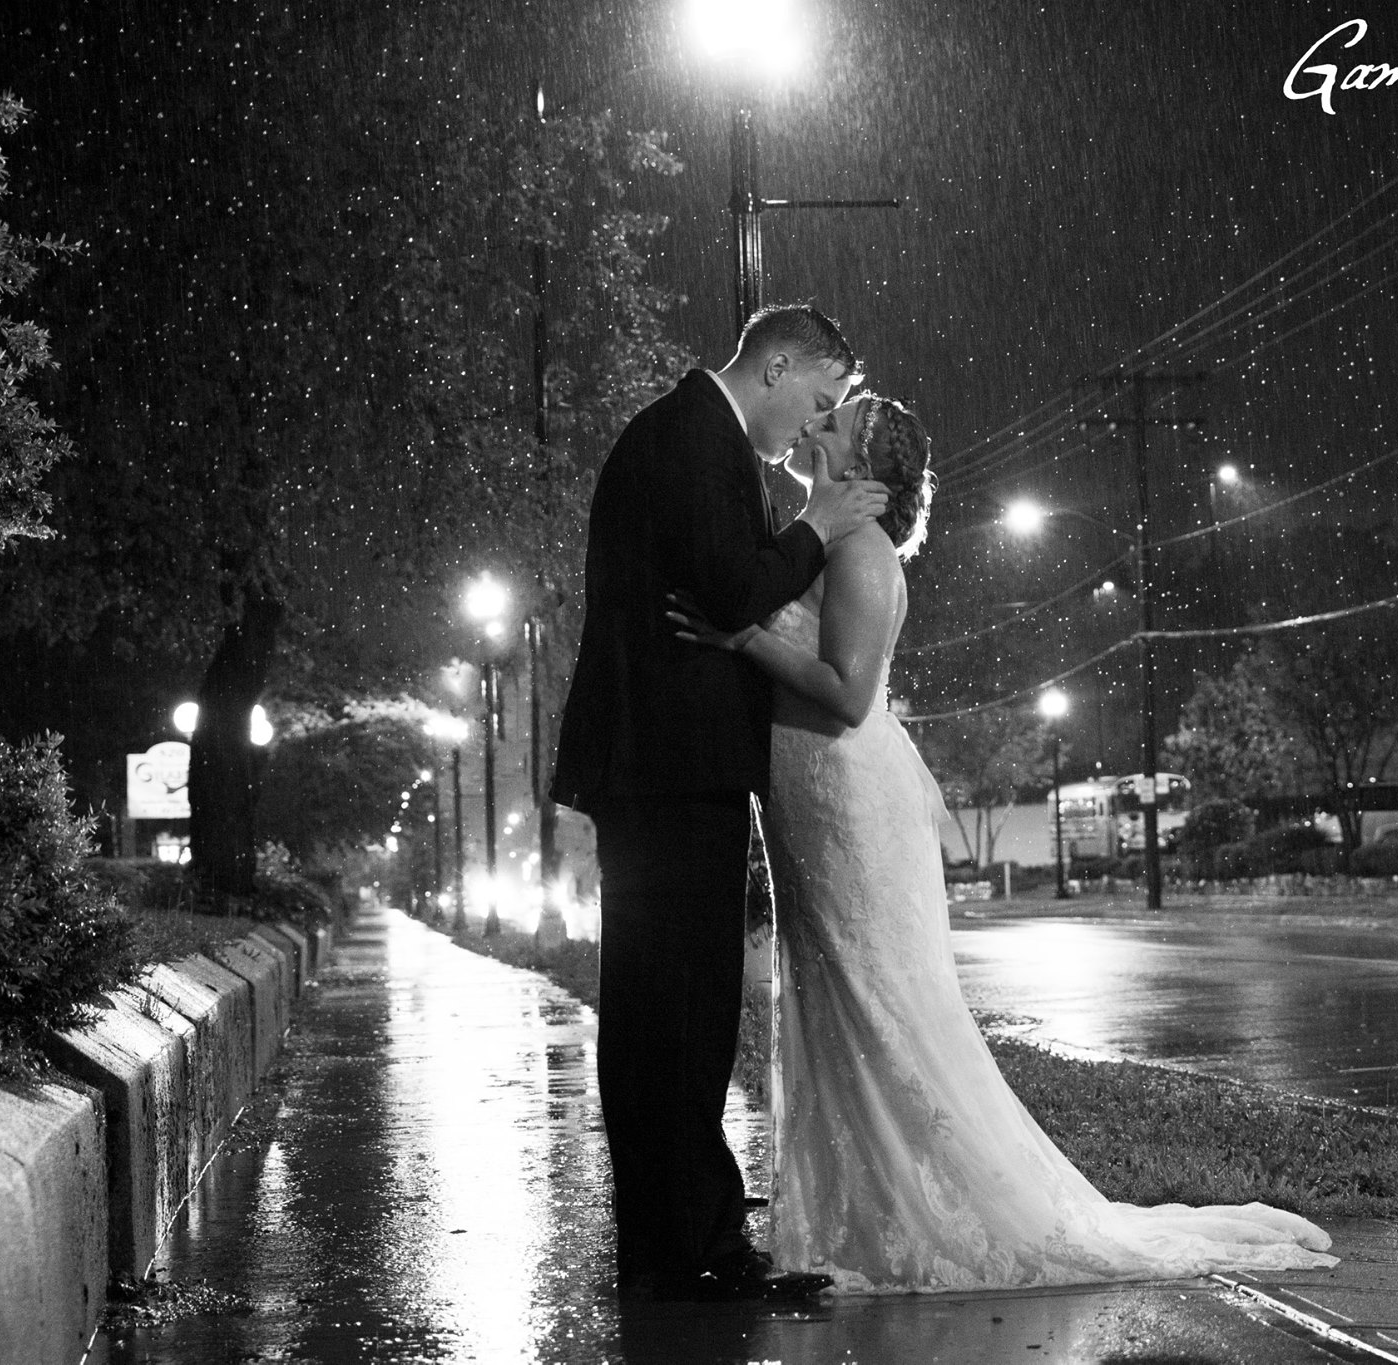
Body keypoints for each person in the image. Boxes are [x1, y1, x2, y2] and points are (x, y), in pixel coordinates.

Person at [667, 394, 1338, 1293]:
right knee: (837, 998)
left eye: (835, 422)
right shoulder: (824, 538)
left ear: (861, 465)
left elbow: (847, 691)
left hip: (847, 798)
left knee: (880, 1000)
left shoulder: (862, 553)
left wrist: (744, 635)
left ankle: (932, 1208)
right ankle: (862, 1207)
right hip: (805, 802)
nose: (814, 425)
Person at [550, 305, 890, 1303]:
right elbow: (732, 587)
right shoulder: (693, 437)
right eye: (818, 400)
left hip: (662, 761)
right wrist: (819, 528)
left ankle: (677, 1240)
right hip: (667, 762)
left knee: (671, 1012)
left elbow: (720, 586)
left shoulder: (686, 434)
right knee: (678, 1013)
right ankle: (692, 1249)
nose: (812, 422)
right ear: (777, 365)